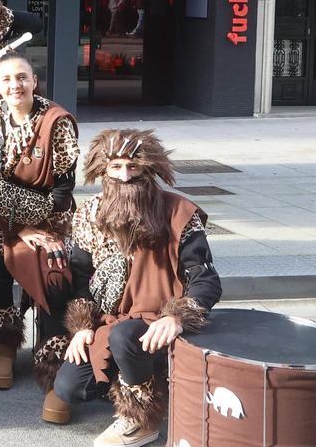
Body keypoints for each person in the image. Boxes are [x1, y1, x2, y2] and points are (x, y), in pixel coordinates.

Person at [55, 128, 221, 447]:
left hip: (158, 322)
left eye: (133, 167)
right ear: (103, 170)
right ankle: (139, 377)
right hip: (111, 319)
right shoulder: (89, 213)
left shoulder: (178, 212)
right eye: (116, 167)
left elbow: (206, 279)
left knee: (125, 336)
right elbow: (80, 277)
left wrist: (177, 317)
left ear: (148, 168)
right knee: (70, 388)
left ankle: (142, 418)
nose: (125, 176)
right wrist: (82, 326)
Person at [0, 52, 79, 422]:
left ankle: (52, 352)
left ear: (34, 80)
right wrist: (17, 228)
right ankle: (2, 345)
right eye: (6, 79)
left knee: (54, 274)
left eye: (22, 77)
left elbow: (62, 190)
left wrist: (35, 224)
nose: (15, 85)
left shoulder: (57, 121)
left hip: (48, 216)